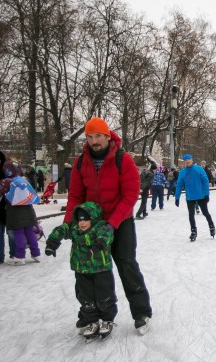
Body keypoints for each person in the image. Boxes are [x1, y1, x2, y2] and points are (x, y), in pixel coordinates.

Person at [64, 117, 152, 335]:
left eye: (98, 136)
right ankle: (90, 315)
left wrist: (112, 223)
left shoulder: (123, 159)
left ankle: (141, 312)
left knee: (127, 266)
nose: (94, 141)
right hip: (91, 226)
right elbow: (75, 195)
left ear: (107, 136)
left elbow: (131, 194)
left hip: (120, 223)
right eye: (90, 137)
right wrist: (69, 223)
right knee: (89, 271)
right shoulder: (80, 161)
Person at [45, 202, 117, 340]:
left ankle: (107, 320)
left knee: (104, 295)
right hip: (81, 269)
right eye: (80, 220)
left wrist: (98, 245)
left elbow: (107, 235)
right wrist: (52, 243)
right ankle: (92, 321)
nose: (82, 223)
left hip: (100, 268)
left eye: (86, 219)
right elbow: (61, 230)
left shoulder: (100, 226)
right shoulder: (74, 228)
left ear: (93, 218)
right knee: (86, 297)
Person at [0, 160, 41, 266]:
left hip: (14, 213)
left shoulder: (6, 182)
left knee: (18, 233)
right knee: (29, 232)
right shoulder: (24, 179)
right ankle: (36, 253)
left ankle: (19, 256)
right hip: (29, 211)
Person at [174, 154, 215, 241]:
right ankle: (193, 231)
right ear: (184, 162)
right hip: (190, 196)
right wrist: (177, 197)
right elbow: (179, 185)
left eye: (189, 159)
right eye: (185, 160)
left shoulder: (199, 169)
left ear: (192, 160)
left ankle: (211, 226)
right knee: (191, 214)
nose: (187, 161)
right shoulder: (182, 172)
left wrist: (207, 194)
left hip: (201, 195)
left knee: (205, 212)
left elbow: (205, 180)